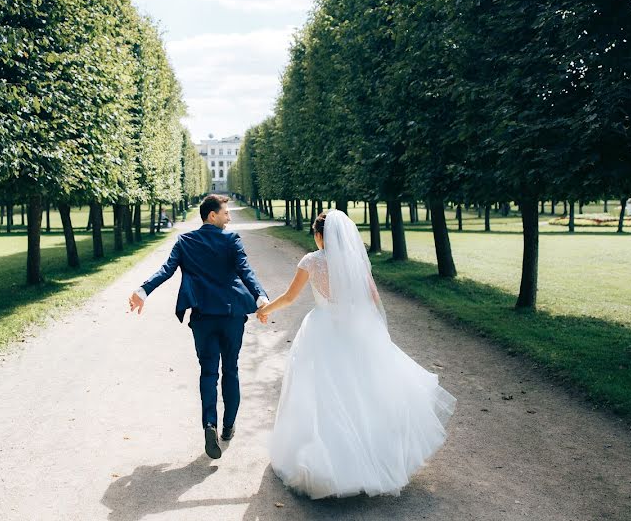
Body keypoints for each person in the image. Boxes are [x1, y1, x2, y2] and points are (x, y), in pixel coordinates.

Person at [256, 210, 456, 499]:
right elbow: (373, 299)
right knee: (361, 393)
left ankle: (327, 463)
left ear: (319, 236)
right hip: (353, 330)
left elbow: (289, 297)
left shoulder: (311, 261)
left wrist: (265, 310)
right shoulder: (355, 263)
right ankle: (369, 461)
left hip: (321, 330)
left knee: (320, 394)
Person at [129, 195, 269, 459]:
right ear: (212, 215)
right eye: (225, 213)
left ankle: (209, 424)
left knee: (208, 373)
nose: (229, 217)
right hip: (230, 316)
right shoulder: (231, 240)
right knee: (231, 369)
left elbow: (166, 270)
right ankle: (228, 427)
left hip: (203, 317)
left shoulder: (185, 241)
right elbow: (245, 271)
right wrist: (261, 298)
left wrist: (142, 290)